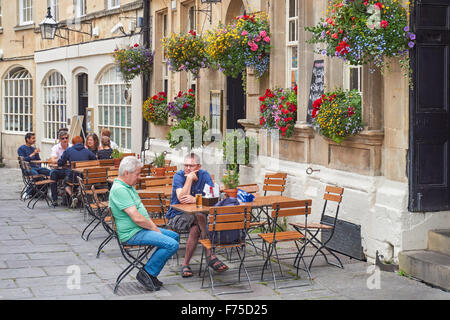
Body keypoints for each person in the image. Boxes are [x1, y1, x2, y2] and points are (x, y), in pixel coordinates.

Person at [109, 156, 179, 291]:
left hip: (139, 229)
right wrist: (154, 228)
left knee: (174, 236)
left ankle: (150, 274)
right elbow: (137, 218)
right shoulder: (120, 189)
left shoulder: (127, 186)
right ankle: (147, 273)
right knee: (172, 244)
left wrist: (152, 227)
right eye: (137, 174)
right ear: (126, 173)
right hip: (132, 233)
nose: (139, 177)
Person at [166, 153, 228, 278]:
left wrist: (195, 200)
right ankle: (210, 255)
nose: (188, 168)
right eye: (186, 165)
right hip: (177, 216)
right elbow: (182, 199)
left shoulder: (204, 175)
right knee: (200, 218)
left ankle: (185, 264)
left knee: (196, 226)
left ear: (198, 167)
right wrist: (189, 179)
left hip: (197, 219)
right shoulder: (178, 176)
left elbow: (212, 197)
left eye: (191, 166)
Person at [58, 136, 97, 204]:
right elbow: (95, 160)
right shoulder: (87, 151)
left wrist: (65, 162)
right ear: (82, 143)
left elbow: (60, 162)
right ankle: (79, 194)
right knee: (77, 180)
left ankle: (72, 195)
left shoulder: (69, 150)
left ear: (73, 143)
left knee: (65, 182)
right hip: (84, 177)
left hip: (72, 177)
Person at [17, 132, 51, 198]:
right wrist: (33, 154)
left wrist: (40, 158)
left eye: (34, 138)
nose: (34, 140)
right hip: (27, 168)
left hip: (36, 168)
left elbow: (38, 160)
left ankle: (43, 191)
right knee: (36, 174)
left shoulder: (33, 148)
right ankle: (28, 192)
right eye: (33, 138)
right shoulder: (21, 148)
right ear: (27, 139)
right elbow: (24, 160)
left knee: (50, 172)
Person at [49, 130, 72, 206]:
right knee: (52, 174)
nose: (65, 140)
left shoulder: (71, 147)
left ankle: (69, 199)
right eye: (63, 138)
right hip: (60, 169)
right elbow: (53, 159)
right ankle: (54, 199)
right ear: (60, 140)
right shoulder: (56, 148)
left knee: (72, 175)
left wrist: (60, 161)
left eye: (66, 138)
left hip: (69, 169)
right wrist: (64, 162)